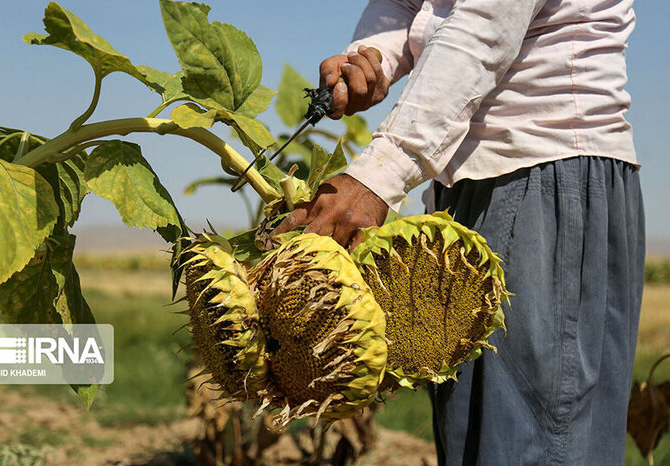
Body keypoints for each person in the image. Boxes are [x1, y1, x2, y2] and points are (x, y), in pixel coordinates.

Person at [272, 0, 644, 464]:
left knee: (537, 446)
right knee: (472, 439)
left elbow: (486, 25)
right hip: (463, 180)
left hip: (544, 166)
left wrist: (380, 173)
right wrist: (374, 58)